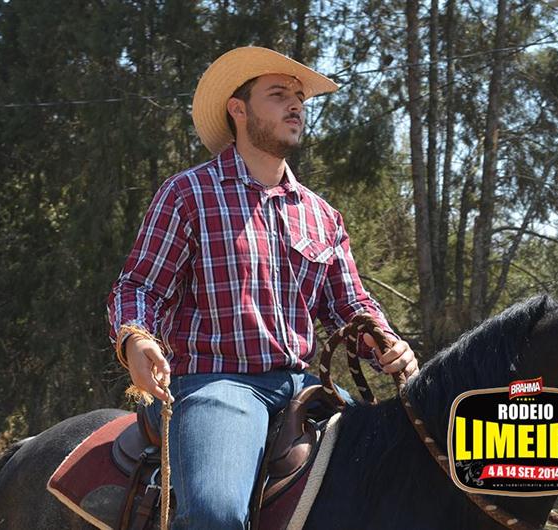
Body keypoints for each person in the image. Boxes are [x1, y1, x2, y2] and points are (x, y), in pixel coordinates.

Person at [107, 46, 418, 529]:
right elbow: (139, 286)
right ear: (238, 109)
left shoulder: (322, 215)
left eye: (299, 98)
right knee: (216, 514)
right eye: (278, 95)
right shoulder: (188, 194)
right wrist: (136, 339)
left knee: (401, 482)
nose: (296, 105)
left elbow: (349, 304)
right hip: (218, 384)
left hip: (308, 387)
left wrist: (385, 342)